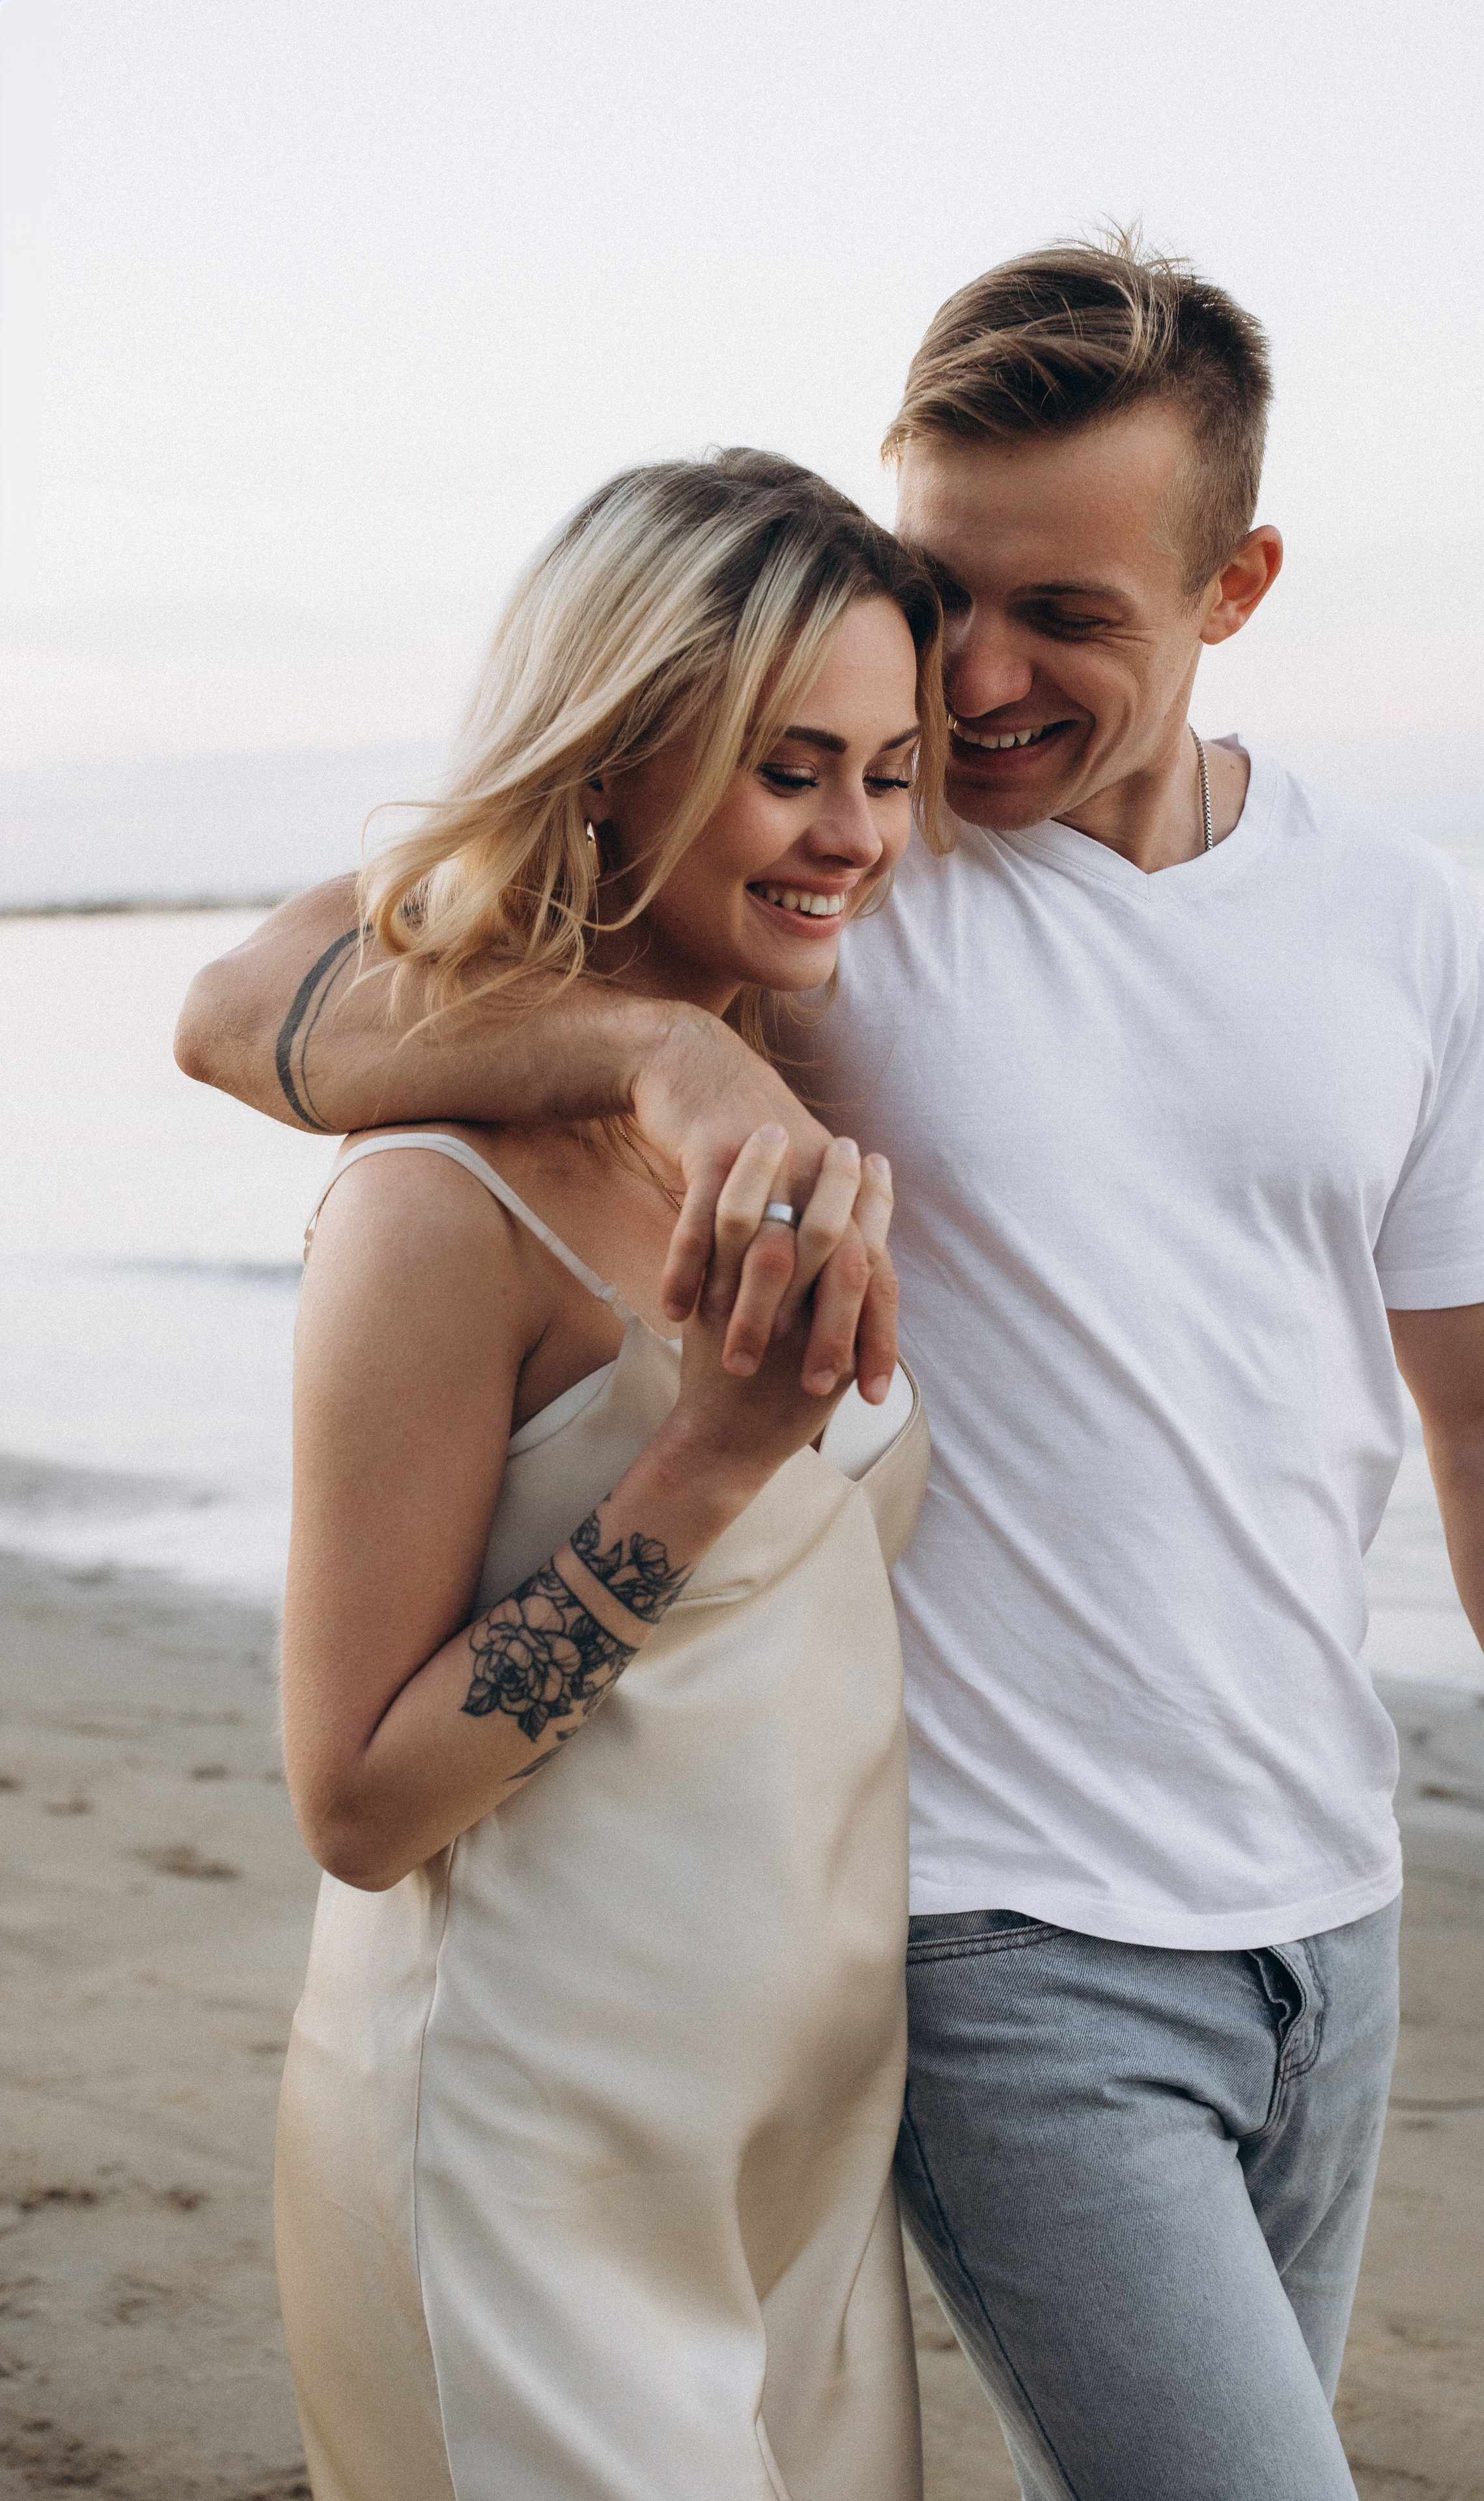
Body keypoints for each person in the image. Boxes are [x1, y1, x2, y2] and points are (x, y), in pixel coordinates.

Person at [178, 239, 1484, 2500]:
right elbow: (242, 1010)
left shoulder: (1399, 918)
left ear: (1235, 583)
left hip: (1320, 1901)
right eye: (938, 588)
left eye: (1066, 613)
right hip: (993, 1933)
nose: (968, 693)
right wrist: (652, 1041)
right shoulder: (842, 885)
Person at [261, 449, 951, 2501]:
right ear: (613, 758)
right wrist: (705, 1465)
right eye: (791, 767)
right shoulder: (435, 1207)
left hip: (803, 2158)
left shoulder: (802, 1095)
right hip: (525, 2152)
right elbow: (360, 1803)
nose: (856, 837)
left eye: (894, 772)